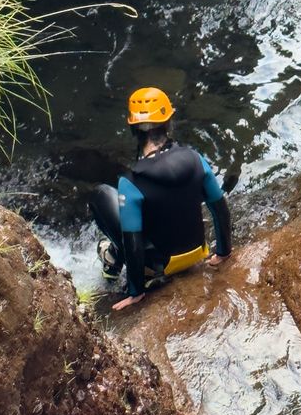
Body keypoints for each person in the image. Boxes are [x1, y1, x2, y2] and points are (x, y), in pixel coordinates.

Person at [90, 87, 232, 312]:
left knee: (101, 195)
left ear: (133, 129)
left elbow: (133, 241)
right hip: (198, 252)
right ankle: (114, 256)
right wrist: (223, 252)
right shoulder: (195, 158)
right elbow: (220, 209)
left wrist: (135, 292)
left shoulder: (131, 182)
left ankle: (112, 258)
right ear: (168, 123)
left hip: (160, 266)